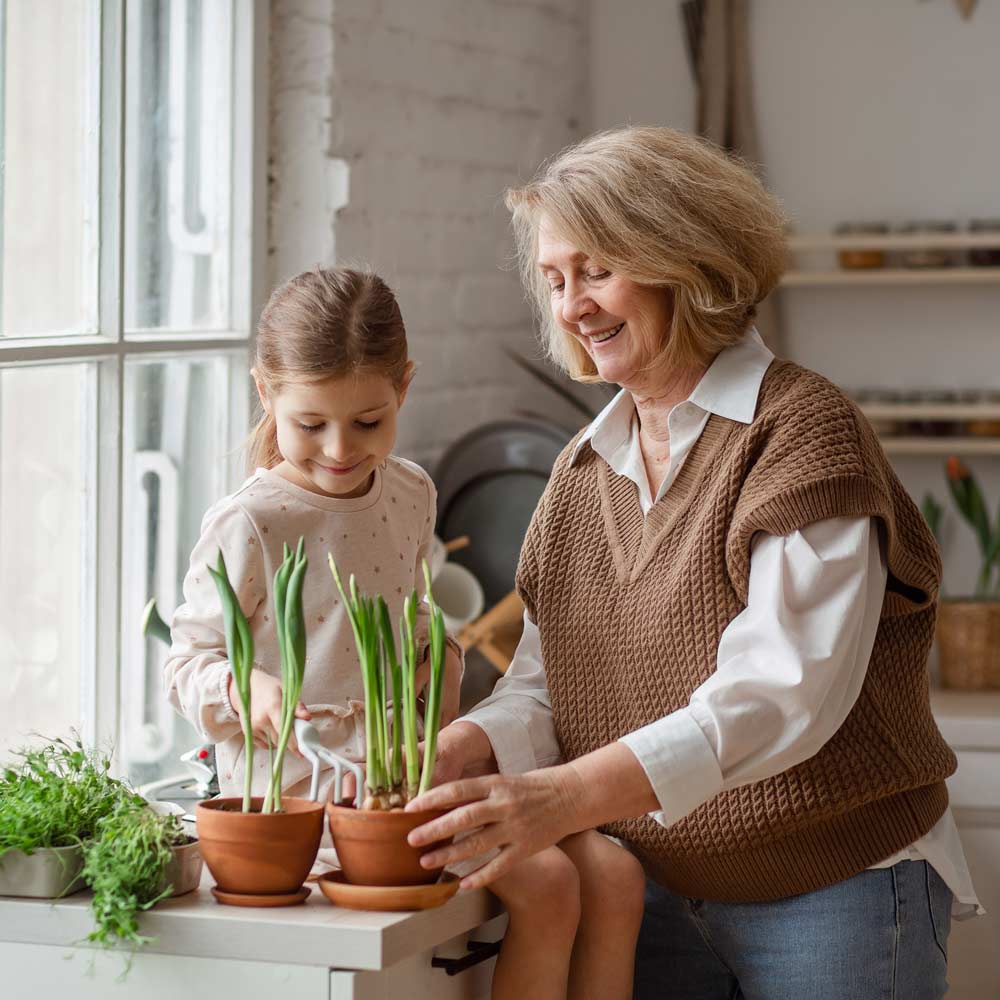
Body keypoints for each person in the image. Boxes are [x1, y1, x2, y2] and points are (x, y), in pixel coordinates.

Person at [406, 127, 982, 1000]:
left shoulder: (801, 437)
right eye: (556, 281)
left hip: (835, 893)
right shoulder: (582, 472)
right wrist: (470, 744)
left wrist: (559, 800)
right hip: (654, 893)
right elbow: (547, 684)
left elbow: (779, 693)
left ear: (687, 257)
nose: (572, 308)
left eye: (597, 271)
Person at [164, 267, 465, 807]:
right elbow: (186, 665)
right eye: (310, 426)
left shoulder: (411, 491)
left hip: (396, 777)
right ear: (265, 393)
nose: (340, 450)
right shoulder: (251, 521)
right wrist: (242, 690)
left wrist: (442, 658)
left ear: (403, 388)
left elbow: (412, 609)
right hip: (289, 797)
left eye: (368, 423)